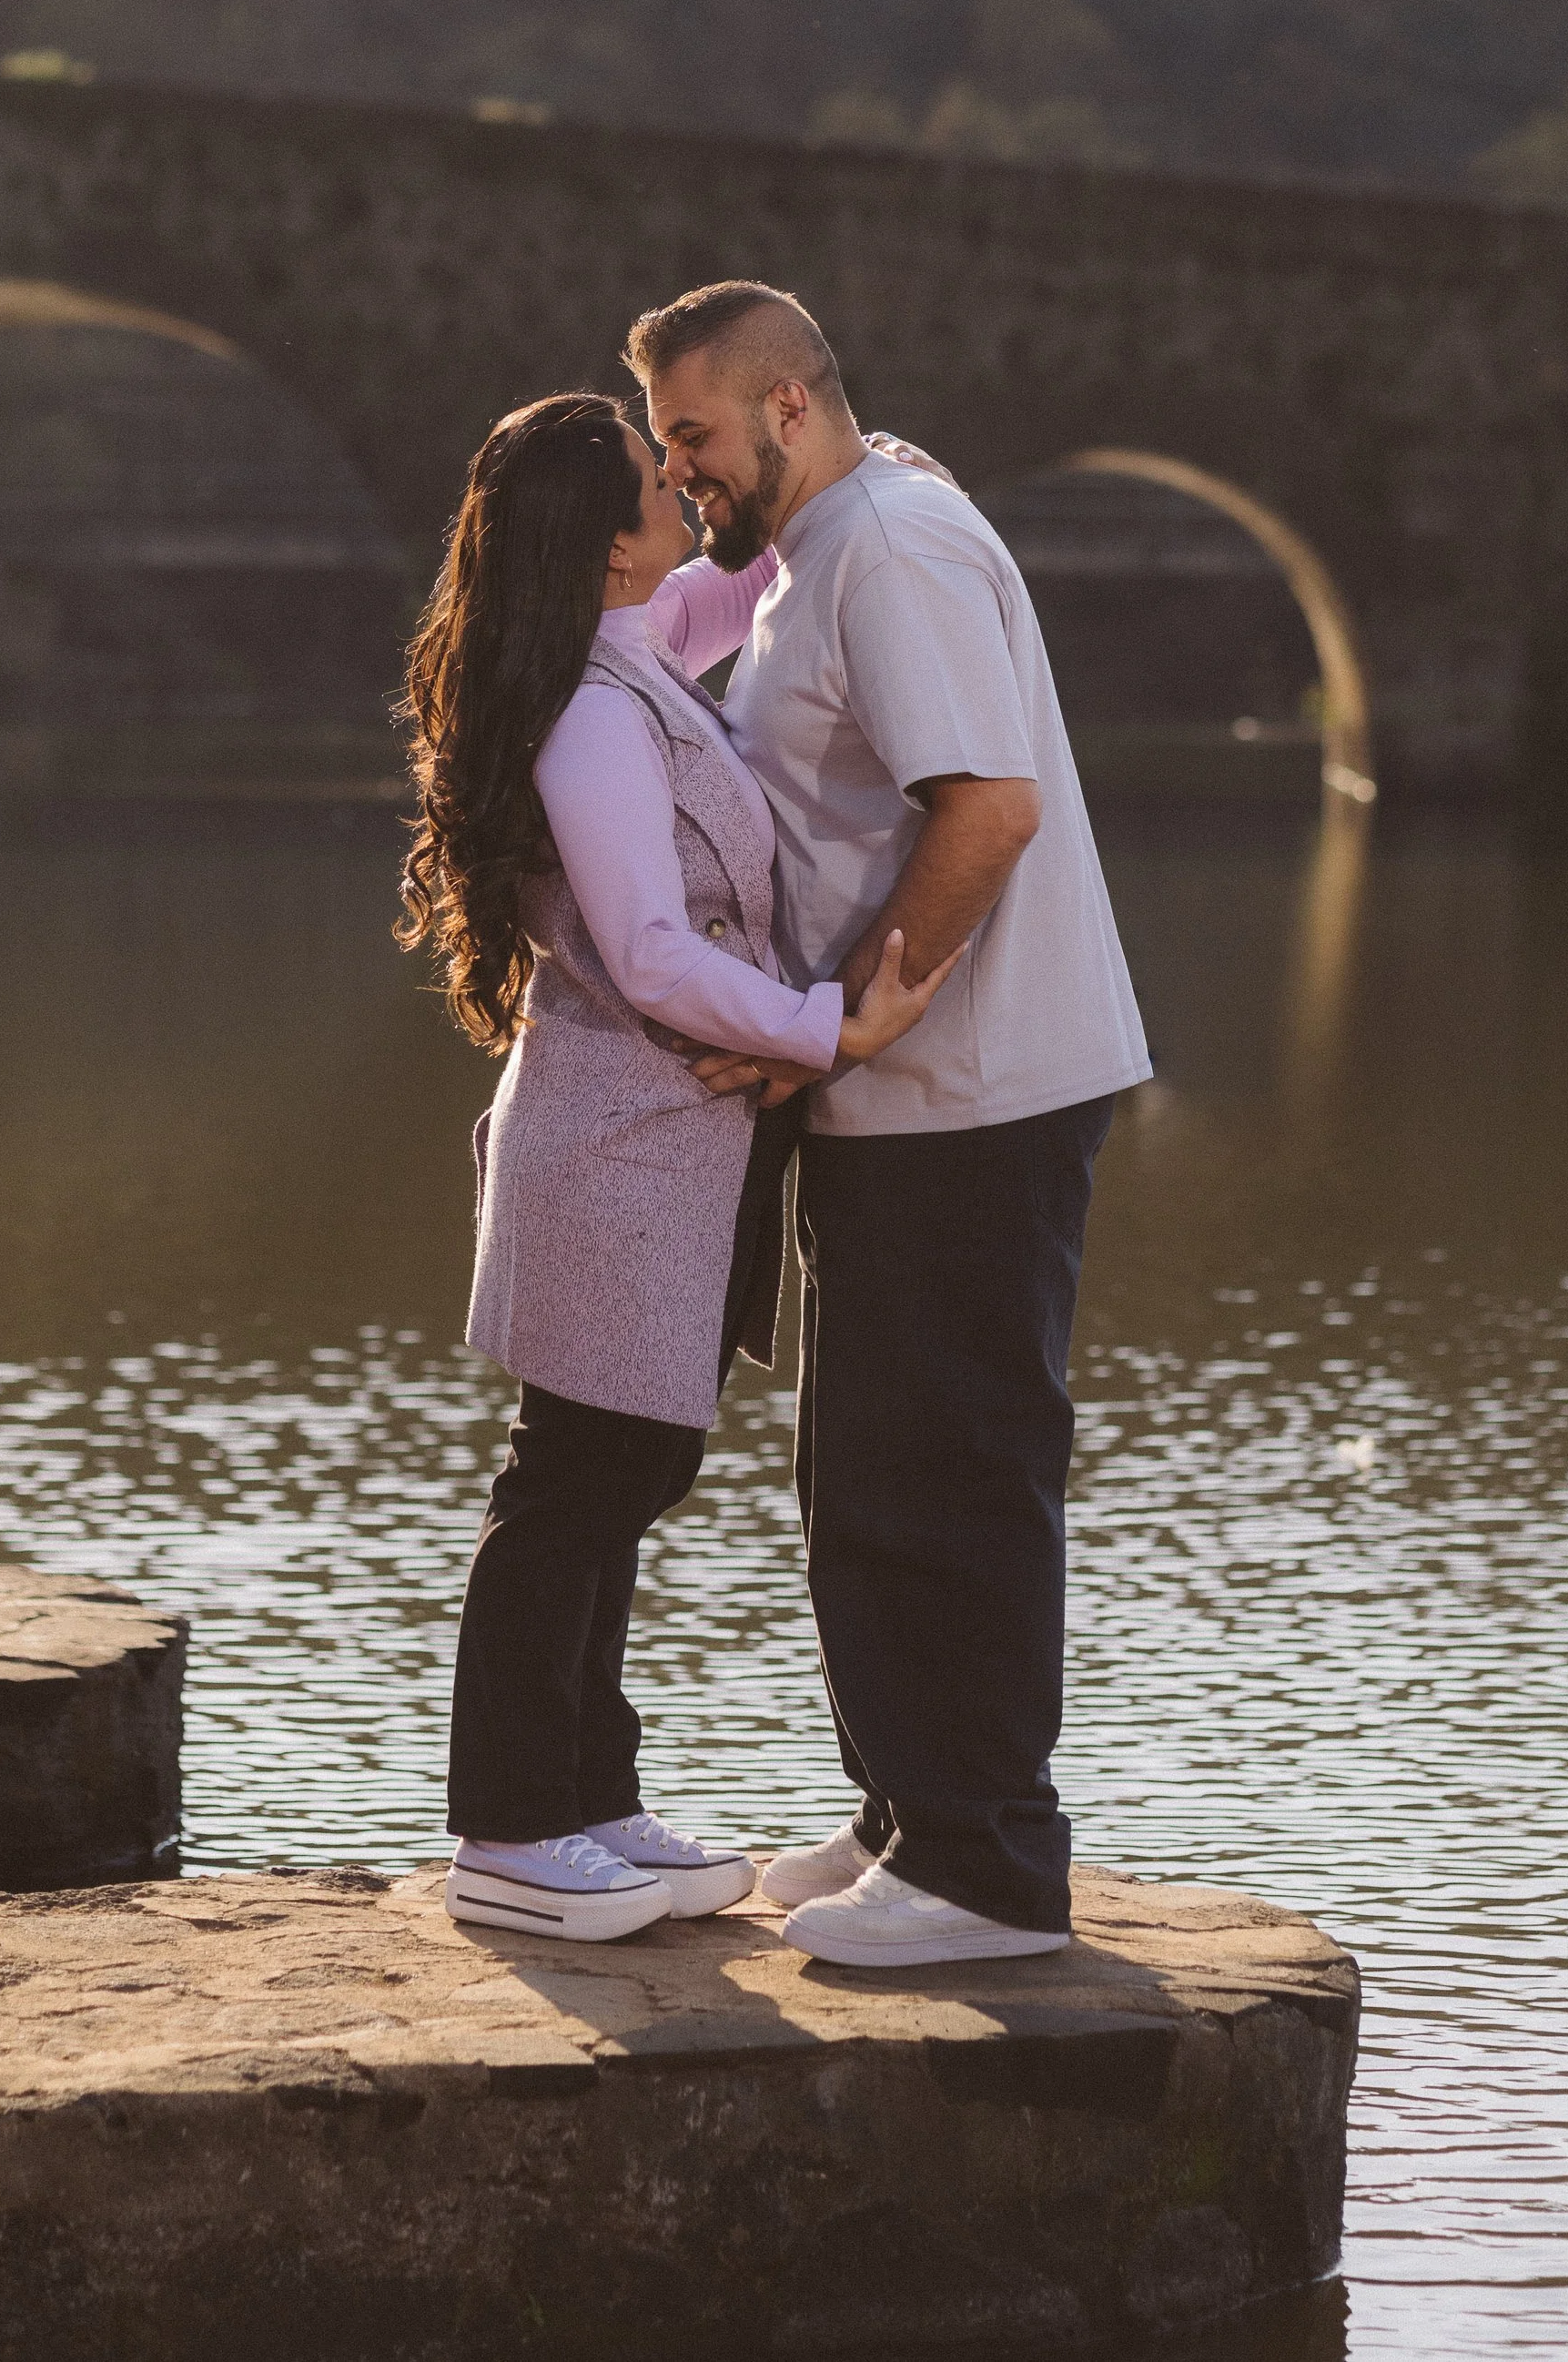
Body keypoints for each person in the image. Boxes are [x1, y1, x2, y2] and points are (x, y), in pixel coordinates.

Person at [630, 282, 1151, 1971]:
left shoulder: (893, 547)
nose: (677, 467)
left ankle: (990, 1865)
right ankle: (905, 1813)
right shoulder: (815, 546)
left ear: (787, 407)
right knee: (861, 1468)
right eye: (661, 442)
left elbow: (989, 812)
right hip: (893, 1104)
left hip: (973, 1100)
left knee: (956, 1471)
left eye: (693, 434)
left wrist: (835, 1023)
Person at [396, 390, 958, 1943]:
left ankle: (588, 1794)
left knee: (627, 1469)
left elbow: (743, 572)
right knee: (573, 1480)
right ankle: (512, 1829)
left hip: (669, 1151)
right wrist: (823, 1025)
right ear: (604, 537)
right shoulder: (585, 710)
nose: (683, 486)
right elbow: (647, 947)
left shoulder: (630, 649)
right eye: (660, 476)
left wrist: (867, 458)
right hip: (614, 1149)